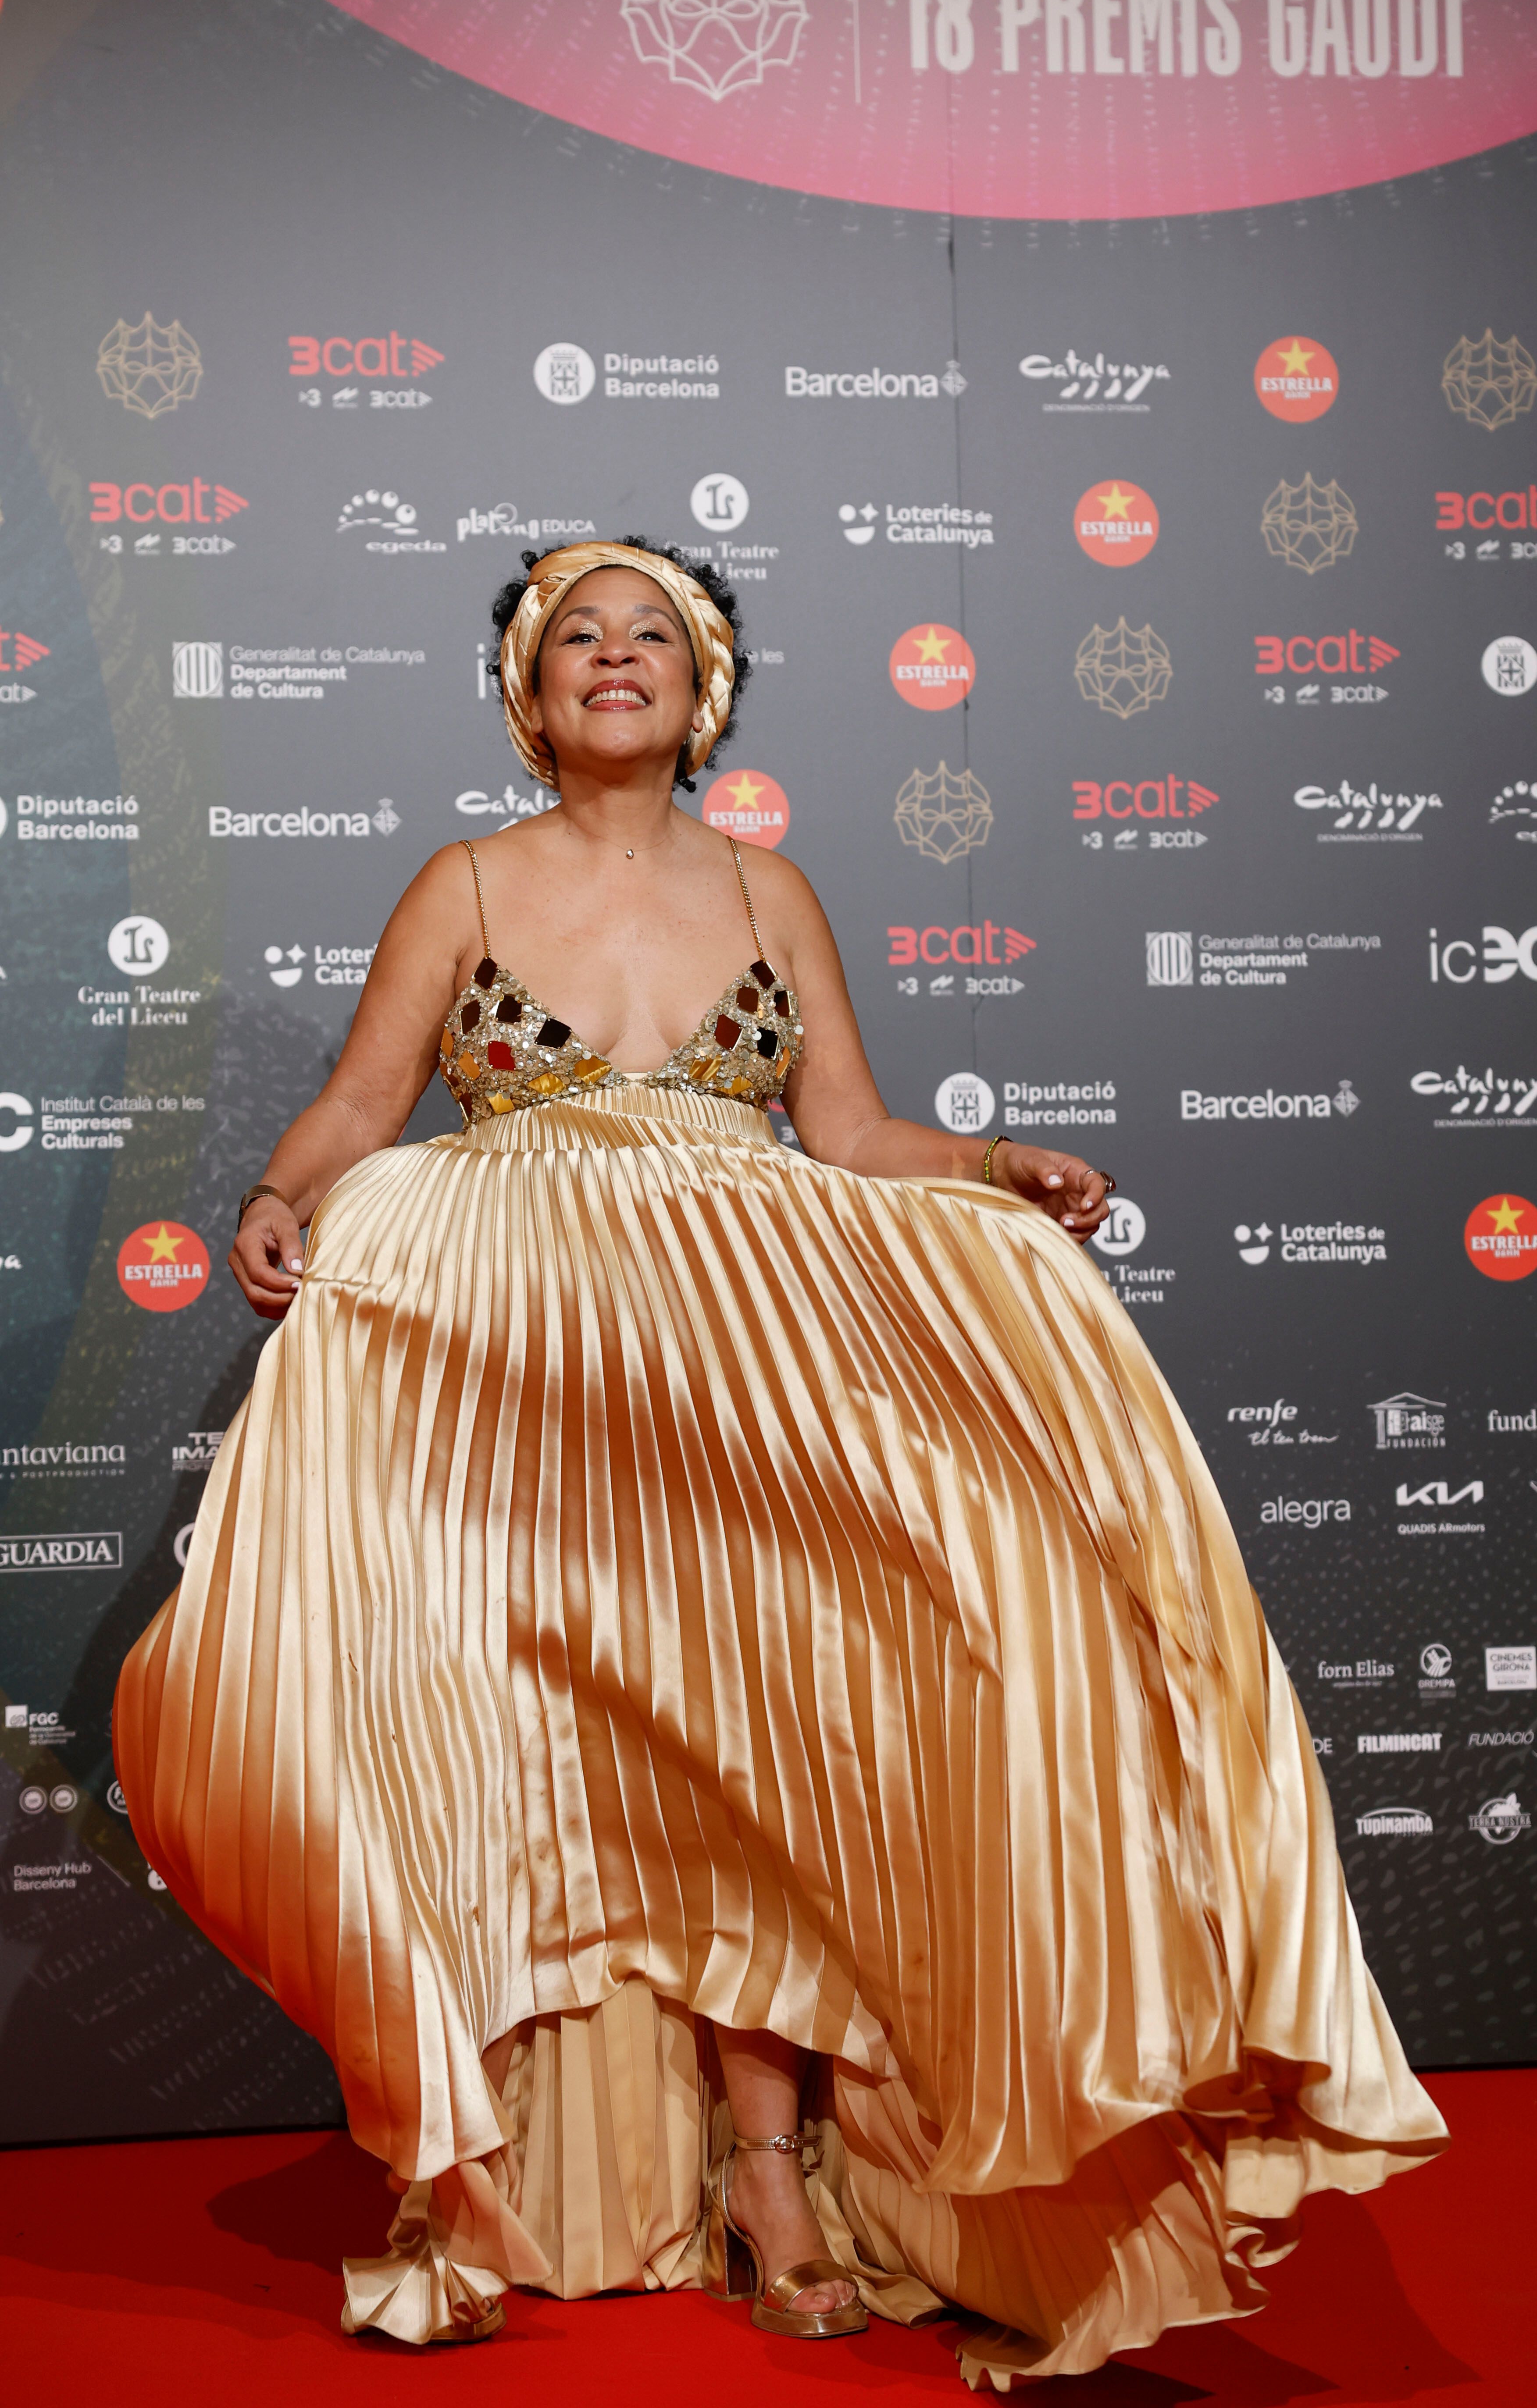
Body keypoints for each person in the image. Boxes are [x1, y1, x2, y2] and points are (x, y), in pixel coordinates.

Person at [116, 536, 1444, 2379]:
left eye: (650, 633)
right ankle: (520, 2178)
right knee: (555, 1765)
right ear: (528, 690)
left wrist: (991, 1170)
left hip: (743, 1382)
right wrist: (281, 1192)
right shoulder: (466, 880)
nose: (613, 656)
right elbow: (363, 1101)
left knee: (777, 1772)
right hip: (533, 1391)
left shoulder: (770, 887)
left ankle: (775, 2176)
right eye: (574, 634)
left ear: (703, 686)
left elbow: (846, 1129)